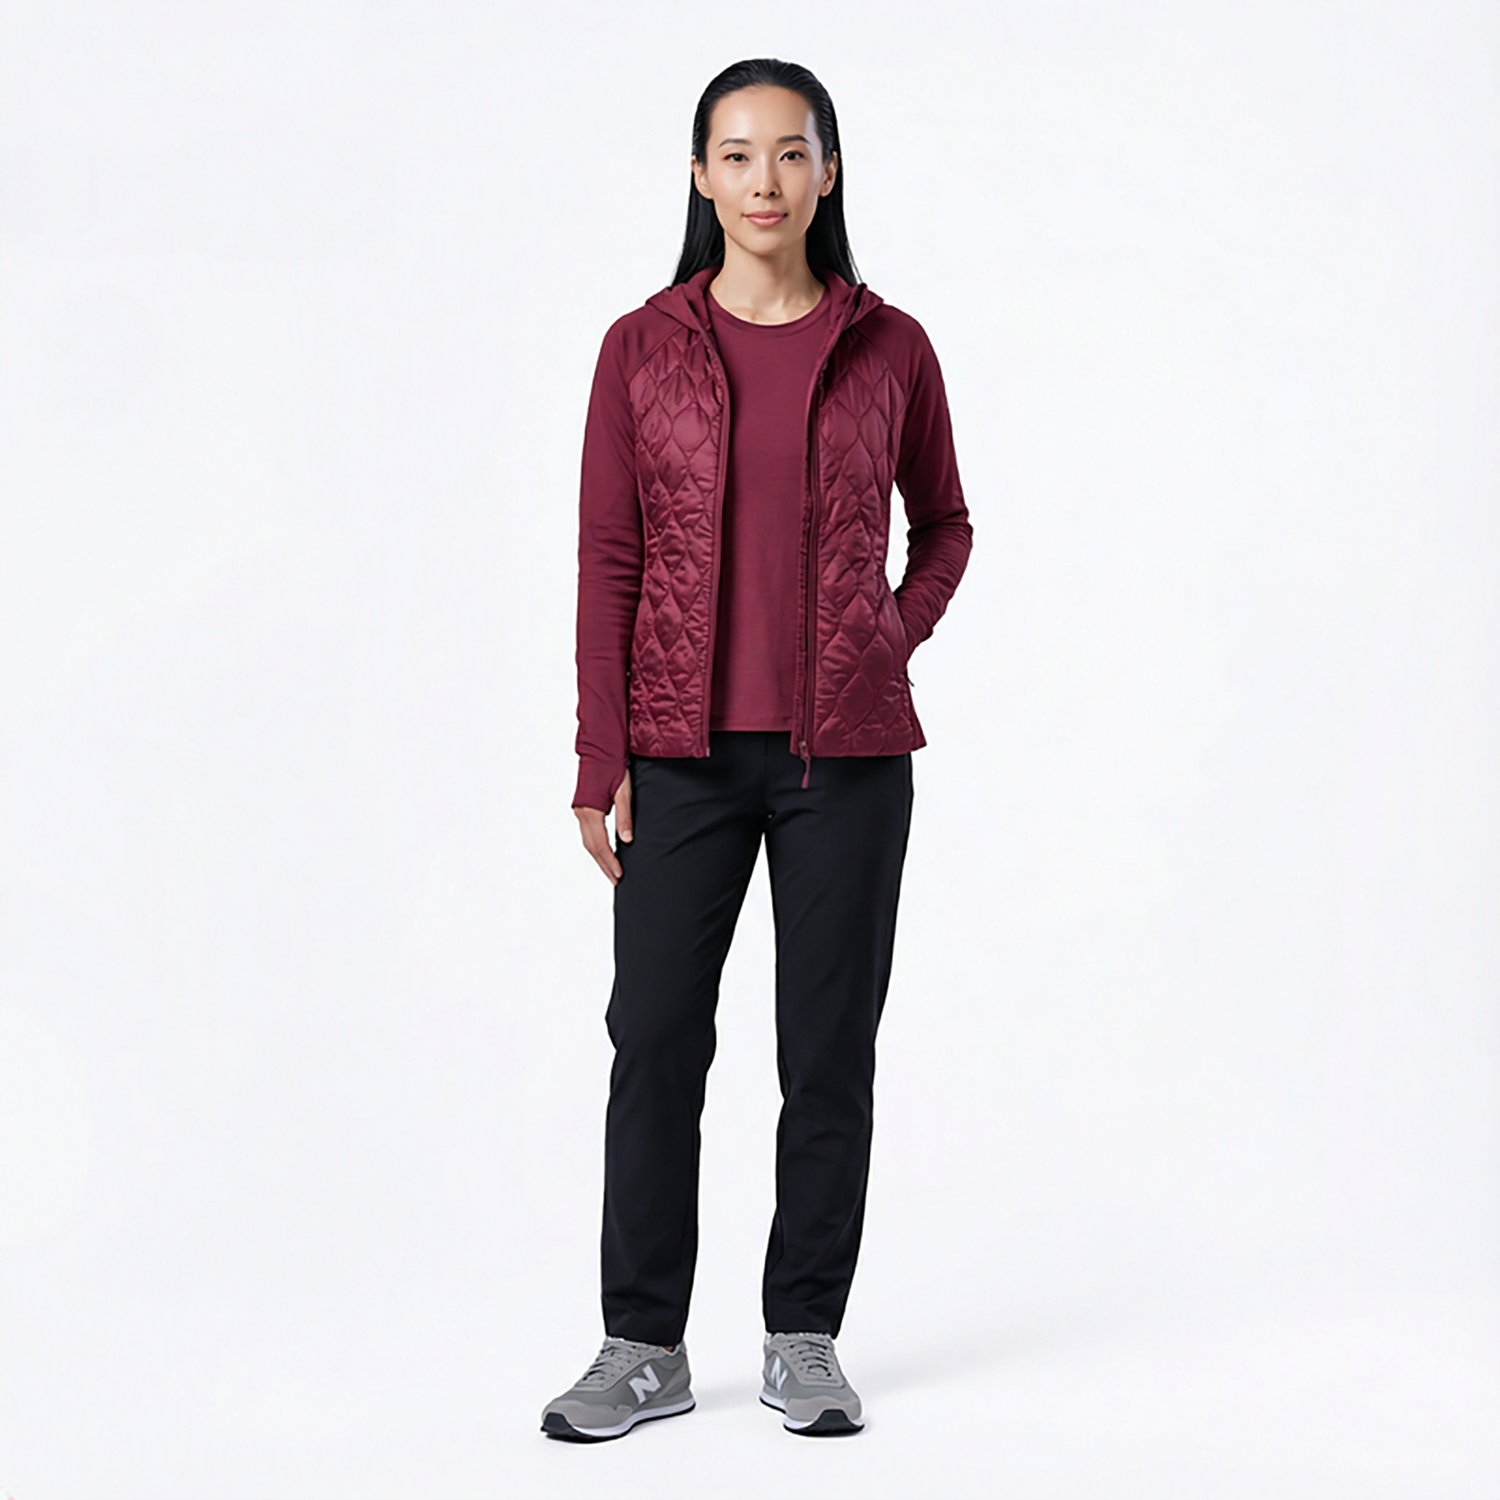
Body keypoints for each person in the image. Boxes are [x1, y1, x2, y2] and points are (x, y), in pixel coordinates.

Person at [541, 57, 973, 1443]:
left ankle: (804, 1335)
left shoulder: (889, 347)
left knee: (826, 1048)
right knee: (655, 1039)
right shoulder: (641, 348)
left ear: (828, 173)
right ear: (700, 176)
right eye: (737, 155)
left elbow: (946, 524)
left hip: (847, 757)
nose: (765, 181)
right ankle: (641, 1346)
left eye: (791, 153)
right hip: (678, 754)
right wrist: (600, 754)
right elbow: (610, 557)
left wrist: (885, 635)